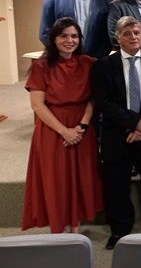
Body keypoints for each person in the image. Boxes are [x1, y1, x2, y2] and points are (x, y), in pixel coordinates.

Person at [91, 16, 141, 249]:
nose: (133, 37)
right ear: (117, 38)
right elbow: (104, 103)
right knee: (116, 183)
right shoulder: (103, 65)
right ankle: (120, 229)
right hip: (117, 132)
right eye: (127, 34)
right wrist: (135, 123)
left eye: (137, 33)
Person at [22, 17, 103, 233]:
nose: (70, 40)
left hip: (81, 128)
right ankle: (58, 230)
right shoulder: (41, 66)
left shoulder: (88, 63)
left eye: (74, 36)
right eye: (63, 36)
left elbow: (93, 99)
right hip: (53, 128)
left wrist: (82, 127)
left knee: (80, 178)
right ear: (54, 39)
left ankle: (75, 229)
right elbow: (37, 105)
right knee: (56, 179)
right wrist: (64, 131)